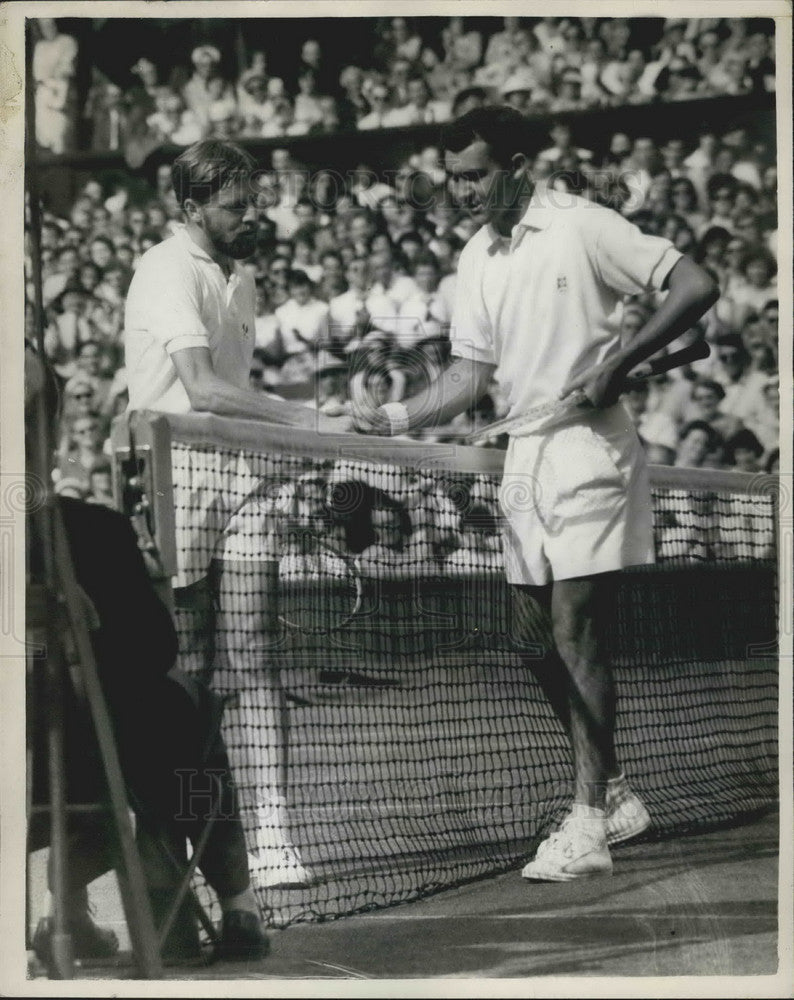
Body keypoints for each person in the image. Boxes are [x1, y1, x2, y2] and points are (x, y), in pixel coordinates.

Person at [356, 106, 718, 882]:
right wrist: (392, 416)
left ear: (521, 162)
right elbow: (467, 378)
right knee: (531, 641)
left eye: (476, 174)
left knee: (574, 627)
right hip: (523, 452)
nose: (463, 191)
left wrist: (620, 364)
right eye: (453, 178)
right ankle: (615, 790)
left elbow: (696, 285)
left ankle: (586, 820)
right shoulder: (476, 253)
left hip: (590, 448)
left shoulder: (585, 224)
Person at [124, 140, 352, 891]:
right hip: (173, 468)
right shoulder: (164, 269)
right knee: (186, 666)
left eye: (253, 198)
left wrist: (289, 438)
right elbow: (200, 387)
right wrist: (308, 421)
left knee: (253, 650)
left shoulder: (242, 276)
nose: (250, 213)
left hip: (241, 469)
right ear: (190, 209)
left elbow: (233, 392)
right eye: (234, 204)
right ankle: (180, 834)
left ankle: (275, 834)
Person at [25, 346, 268, 965]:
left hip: (37, 784)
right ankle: (238, 903)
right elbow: (155, 647)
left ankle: (72, 913)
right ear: (50, 434)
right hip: (111, 768)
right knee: (185, 712)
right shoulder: (97, 531)